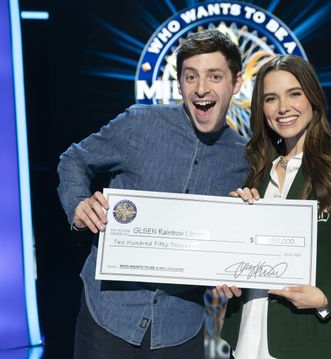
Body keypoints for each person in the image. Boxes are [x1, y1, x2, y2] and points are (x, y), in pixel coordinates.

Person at [57, 29, 248, 359]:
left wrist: (233, 268)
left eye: (215, 76)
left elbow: (240, 236)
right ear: (179, 85)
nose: (201, 88)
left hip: (180, 329)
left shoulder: (244, 159)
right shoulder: (139, 125)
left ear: (237, 82)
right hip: (108, 315)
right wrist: (77, 202)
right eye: (191, 77)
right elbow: (74, 158)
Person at [215, 55, 331, 359]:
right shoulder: (255, 169)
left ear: (313, 98)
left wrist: (324, 296)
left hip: (312, 339)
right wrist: (228, 270)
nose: (283, 108)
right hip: (247, 338)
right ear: (261, 108)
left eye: (294, 93)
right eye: (271, 98)